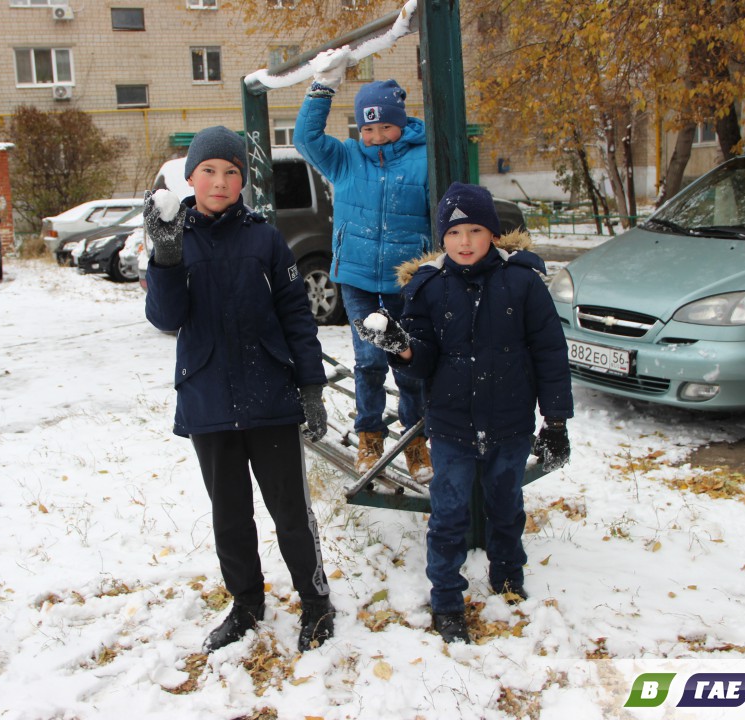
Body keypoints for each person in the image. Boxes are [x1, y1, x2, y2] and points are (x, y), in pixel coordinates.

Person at [143, 125, 335, 654]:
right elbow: (165, 317)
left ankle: (316, 602)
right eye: (209, 170)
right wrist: (164, 259)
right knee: (230, 516)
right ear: (190, 178)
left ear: (242, 181)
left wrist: (311, 387)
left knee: (290, 513)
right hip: (208, 400)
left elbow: (297, 316)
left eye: (231, 172)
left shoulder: (265, 238)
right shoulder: (173, 237)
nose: (220, 181)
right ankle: (247, 603)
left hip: (270, 398)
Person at [355, 182, 573, 645]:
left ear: (493, 233)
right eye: (455, 233)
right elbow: (423, 359)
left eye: (476, 230)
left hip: (510, 422)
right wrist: (405, 350)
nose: (466, 242)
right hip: (452, 425)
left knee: (506, 505)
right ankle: (447, 599)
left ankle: (508, 577)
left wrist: (555, 422)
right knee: (449, 514)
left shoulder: (523, 283)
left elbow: (550, 353)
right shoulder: (428, 287)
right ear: (443, 239)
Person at [293, 53, 433, 483]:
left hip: (405, 280)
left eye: (383, 126)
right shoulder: (347, 157)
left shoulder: (424, 158)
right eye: (367, 127)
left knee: (407, 363)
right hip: (355, 279)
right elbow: (305, 137)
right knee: (370, 360)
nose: (374, 136)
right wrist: (322, 89)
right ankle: (370, 435)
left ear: (401, 123)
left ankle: (415, 439)